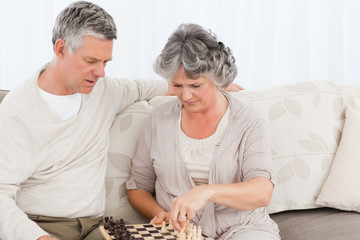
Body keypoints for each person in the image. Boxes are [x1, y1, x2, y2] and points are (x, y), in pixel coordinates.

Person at [0, 1, 170, 240]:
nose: (101, 72)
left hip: (96, 229)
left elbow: (146, 87)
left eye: (105, 62)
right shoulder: (18, 110)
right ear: (61, 49)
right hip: (42, 228)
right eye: (91, 61)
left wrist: (206, 85)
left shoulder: (104, 90)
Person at [126, 23, 280, 240]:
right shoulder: (159, 120)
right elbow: (137, 186)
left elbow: (263, 192)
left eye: (195, 86)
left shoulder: (249, 122)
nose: (185, 96)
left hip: (244, 229)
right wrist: (162, 214)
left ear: (218, 79)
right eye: (177, 86)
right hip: (181, 233)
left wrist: (207, 192)